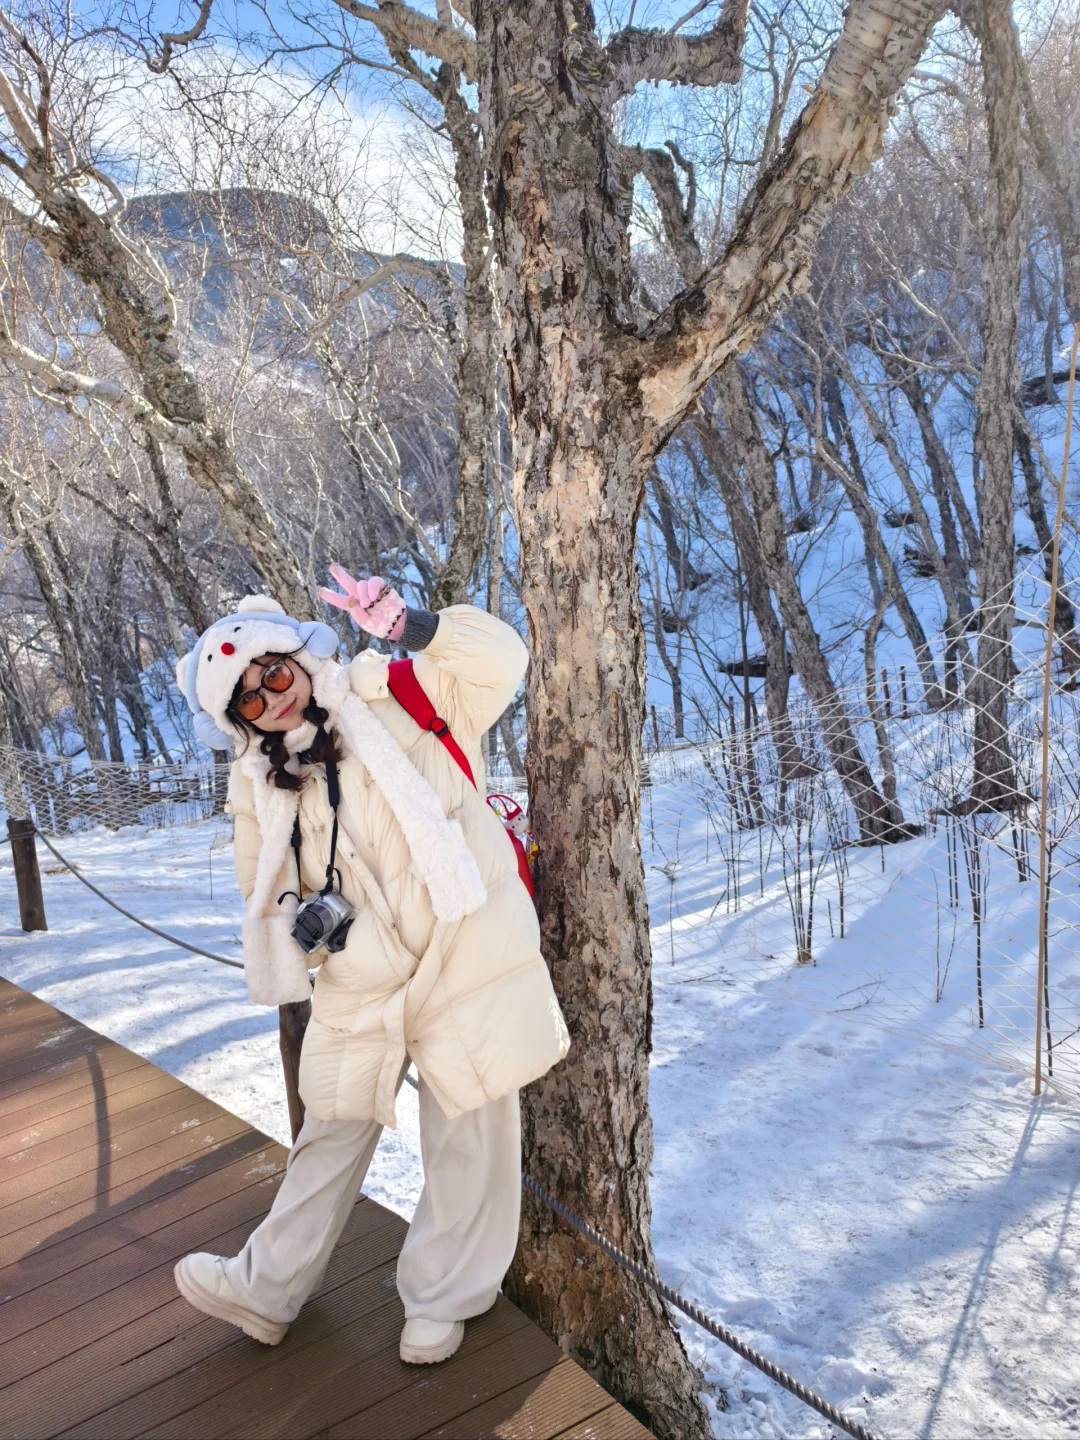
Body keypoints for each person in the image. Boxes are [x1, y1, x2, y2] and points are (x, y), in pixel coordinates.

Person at [170, 575, 569, 1364]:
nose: (271, 699)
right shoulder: (259, 783)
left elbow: (503, 660)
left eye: (274, 672)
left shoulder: (390, 691)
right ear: (235, 720)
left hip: (465, 942)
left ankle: (444, 1296)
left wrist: (409, 624)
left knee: (469, 1128)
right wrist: (303, 928)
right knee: (329, 1127)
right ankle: (266, 1288)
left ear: (300, 656)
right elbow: (266, 893)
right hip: (364, 969)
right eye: (247, 699)